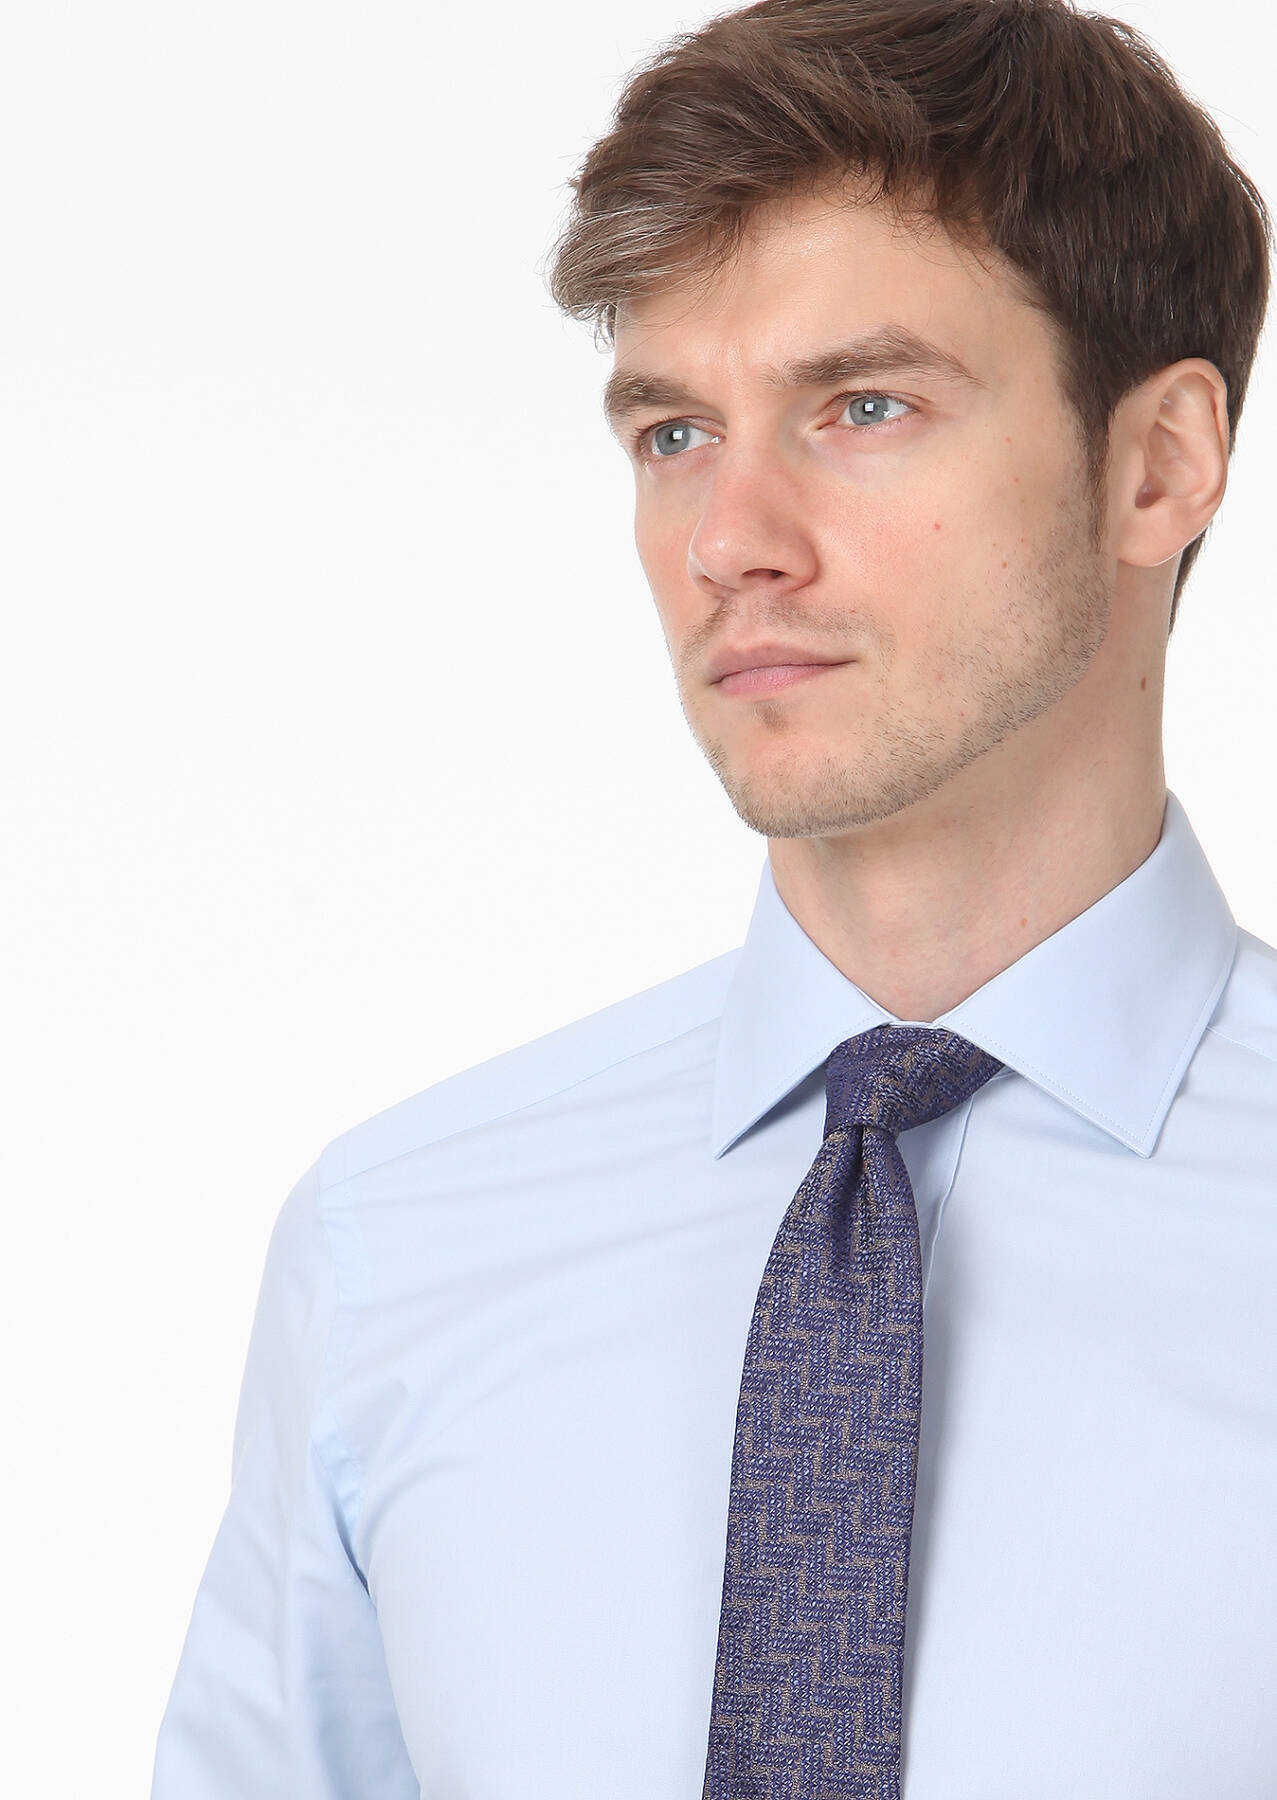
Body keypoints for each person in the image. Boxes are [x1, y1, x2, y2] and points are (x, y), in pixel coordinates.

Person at [151, 1, 1277, 1795]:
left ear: (1158, 464)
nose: (727, 540)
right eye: (673, 432)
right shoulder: (398, 1252)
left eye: (863, 406)